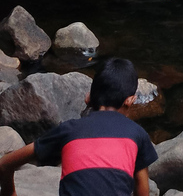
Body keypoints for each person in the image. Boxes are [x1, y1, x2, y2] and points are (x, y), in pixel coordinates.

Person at [0, 58, 158, 196]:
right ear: (130, 100)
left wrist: (9, 192)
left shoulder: (69, 130)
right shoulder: (137, 134)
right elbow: (142, 190)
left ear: (88, 98)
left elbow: (5, 163)